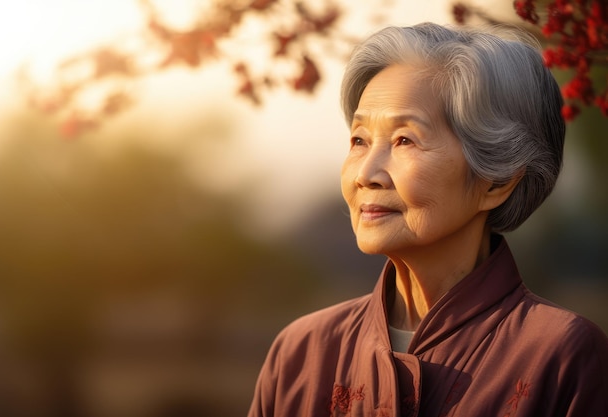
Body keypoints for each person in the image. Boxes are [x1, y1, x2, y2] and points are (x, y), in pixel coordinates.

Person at [247, 22, 608, 417]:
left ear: (497, 181)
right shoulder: (303, 353)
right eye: (359, 140)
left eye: (405, 140)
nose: (367, 173)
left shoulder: (560, 356)